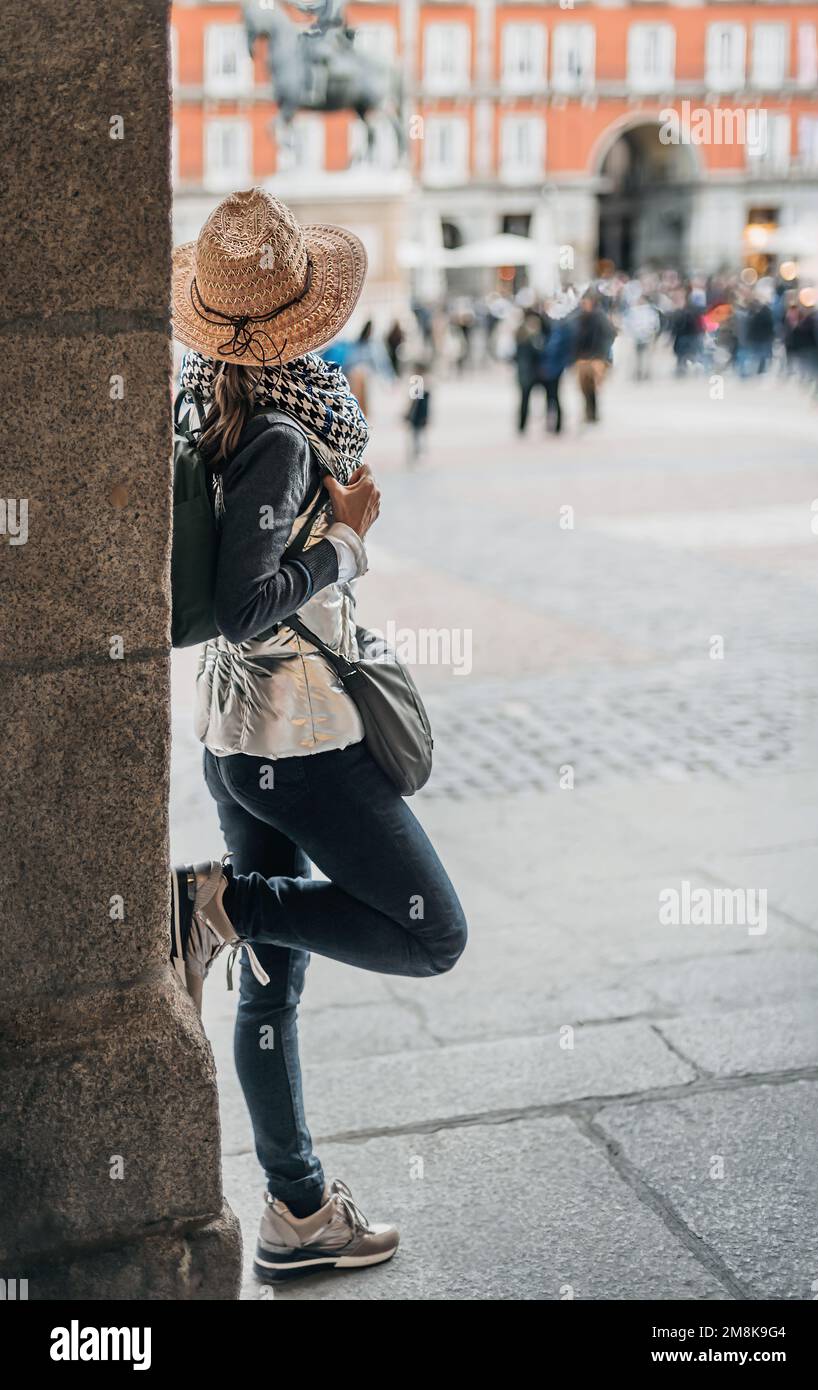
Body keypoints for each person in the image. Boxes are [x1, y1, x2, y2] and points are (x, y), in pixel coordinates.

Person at [169, 189, 467, 1282]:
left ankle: (296, 1211)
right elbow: (250, 601)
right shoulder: (288, 434)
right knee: (432, 931)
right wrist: (342, 540)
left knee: (272, 983)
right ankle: (215, 904)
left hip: (232, 734)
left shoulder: (208, 403)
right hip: (295, 745)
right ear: (302, 320)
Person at [572, 291, 615, 423]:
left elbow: (609, 335)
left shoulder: (599, 317)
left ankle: (593, 413)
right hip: (582, 357)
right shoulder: (579, 317)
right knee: (584, 388)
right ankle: (588, 412)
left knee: (594, 386)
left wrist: (601, 354)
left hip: (596, 357)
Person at [514, 309, 546, 432]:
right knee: (525, 399)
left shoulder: (521, 336)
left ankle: (522, 425)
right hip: (529, 373)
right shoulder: (530, 338)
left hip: (526, 373)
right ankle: (522, 424)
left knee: (524, 399)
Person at [623, 295, 659, 383]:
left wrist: (651, 333)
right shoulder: (634, 311)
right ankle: (638, 373)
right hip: (637, 337)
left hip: (647, 336)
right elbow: (628, 323)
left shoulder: (649, 311)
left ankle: (646, 373)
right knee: (638, 357)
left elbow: (654, 323)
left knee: (646, 356)